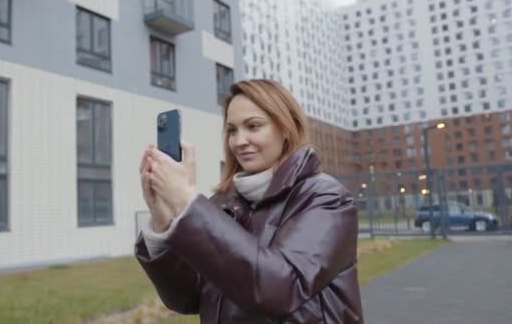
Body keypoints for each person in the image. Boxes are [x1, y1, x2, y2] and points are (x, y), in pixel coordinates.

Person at [136, 79, 363, 323]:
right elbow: (187, 297)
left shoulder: (325, 198)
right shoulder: (221, 205)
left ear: (286, 128)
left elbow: (281, 287)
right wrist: (162, 218)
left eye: (253, 126)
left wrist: (186, 201)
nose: (239, 141)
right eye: (232, 130)